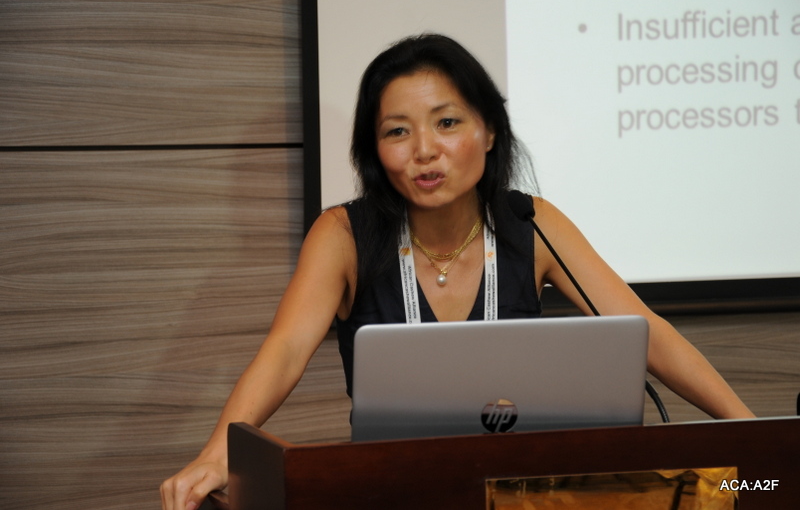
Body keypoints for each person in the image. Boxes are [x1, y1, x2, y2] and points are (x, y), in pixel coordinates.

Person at [160, 34, 753, 510]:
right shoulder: (342, 235)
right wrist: (218, 455)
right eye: (398, 131)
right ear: (375, 150)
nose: (424, 150)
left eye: (446, 123)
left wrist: (752, 432)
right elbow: (286, 350)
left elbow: (647, 331)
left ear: (488, 131)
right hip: (393, 493)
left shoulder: (533, 222)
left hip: (532, 495)